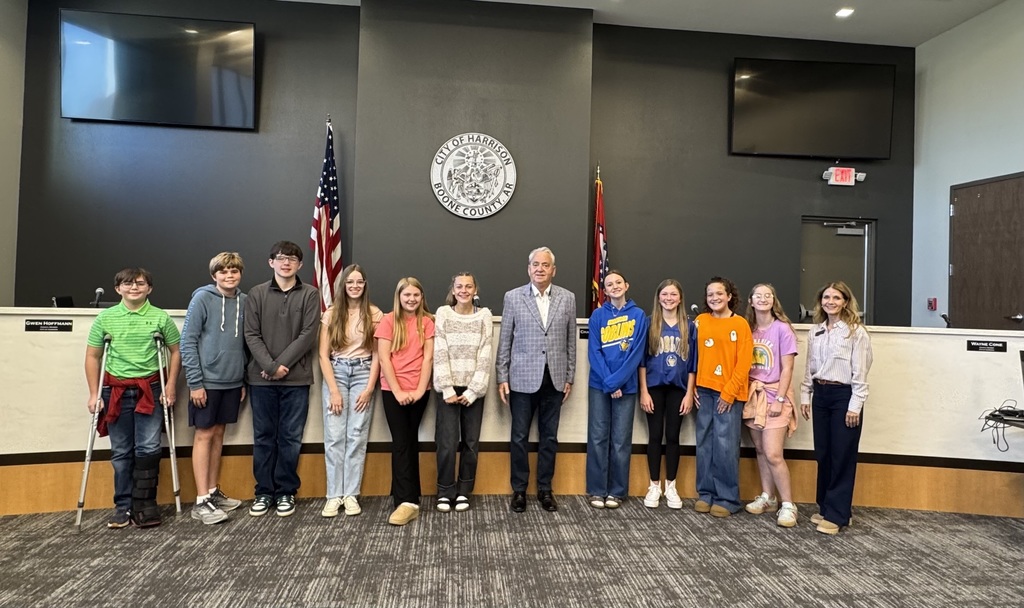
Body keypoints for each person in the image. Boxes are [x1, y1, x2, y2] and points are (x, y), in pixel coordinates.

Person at [84, 267, 181, 529]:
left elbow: (176, 352)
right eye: (128, 284)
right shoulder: (106, 318)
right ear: (118, 289)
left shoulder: (161, 318)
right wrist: (94, 394)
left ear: (149, 288)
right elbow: (93, 356)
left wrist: (171, 385)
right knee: (121, 451)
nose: (134, 287)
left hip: (150, 389)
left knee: (148, 448)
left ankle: (144, 503)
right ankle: (123, 506)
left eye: (140, 283)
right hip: (114, 391)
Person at [496, 246, 577, 513]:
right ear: (528, 268)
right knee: (519, 436)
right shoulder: (513, 297)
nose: (540, 269)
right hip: (521, 379)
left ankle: (545, 489)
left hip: (554, 380)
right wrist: (501, 376)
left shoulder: (567, 298)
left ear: (553, 270)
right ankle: (519, 490)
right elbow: (505, 339)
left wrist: (569, 377)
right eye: (535, 264)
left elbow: (570, 342)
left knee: (549, 438)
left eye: (545, 265)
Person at [244, 241, 320, 518]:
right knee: (264, 437)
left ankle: (286, 491)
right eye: (280, 258)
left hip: (296, 380)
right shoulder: (256, 293)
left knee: (290, 438)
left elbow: (308, 334)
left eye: (292, 259)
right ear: (271, 262)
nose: (286, 263)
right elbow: (251, 334)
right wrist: (269, 366)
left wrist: (280, 365)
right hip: (261, 380)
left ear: (300, 265)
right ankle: (264, 492)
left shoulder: (311, 294)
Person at [800, 281, 873, 535]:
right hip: (821, 394)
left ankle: (838, 515)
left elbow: (861, 372)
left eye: (836, 297)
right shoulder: (816, 331)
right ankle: (826, 506)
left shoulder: (856, 332)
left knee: (842, 454)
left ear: (845, 302)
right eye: (826, 297)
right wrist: (805, 395)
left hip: (844, 396)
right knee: (824, 453)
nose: (830, 301)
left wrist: (855, 406)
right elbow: (810, 366)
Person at [180, 252, 248, 525]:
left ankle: (212, 492)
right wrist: (195, 383)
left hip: (232, 382)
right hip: (206, 383)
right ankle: (200, 501)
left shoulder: (244, 301)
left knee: (219, 434)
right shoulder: (202, 299)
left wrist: (241, 379)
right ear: (214, 275)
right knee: (204, 435)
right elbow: (188, 342)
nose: (229, 275)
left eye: (234, 271)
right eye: (223, 272)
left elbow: (243, 344)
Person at [318, 264, 382, 519]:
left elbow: (379, 355)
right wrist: (333, 390)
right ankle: (334, 495)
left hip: (364, 373)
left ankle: (351, 494)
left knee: (356, 436)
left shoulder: (375, 313)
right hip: (337, 372)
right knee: (335, 437)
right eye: (350, 282)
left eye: (359, 282)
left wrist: (368, 389)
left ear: (365, 285)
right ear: (343, 285)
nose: (355, 286)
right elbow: (323, 355)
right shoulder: (332, 313)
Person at [586, 271, 648, 509]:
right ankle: (597, 489)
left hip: (627, 387)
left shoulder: (639, 315)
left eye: (618, 283)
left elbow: (636, 354)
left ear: (626, 285)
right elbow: (594, 352)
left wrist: (618, 382)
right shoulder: (597, 315)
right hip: (599, 386)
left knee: (621, 440)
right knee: (598, 437)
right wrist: (610, 383)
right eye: (609, 284)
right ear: (605, 289)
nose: (614, 287)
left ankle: (617, 491)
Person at [376, 277, 435, 526]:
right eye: (406, 295)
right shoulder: (388, 321)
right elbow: (384, 359)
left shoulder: (428, 322)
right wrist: (398, 391)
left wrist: (421, 389)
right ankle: (405, 500)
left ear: (422, 297)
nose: (411, 299)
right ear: (398, 297)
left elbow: (428, 359)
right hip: (393, 390)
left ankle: (408, 494)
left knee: (411, 439)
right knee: (401, 441)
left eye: (416, 295)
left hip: (420, 389)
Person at [433, 272, 492, 513]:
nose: (464, 290)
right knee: (446, 442)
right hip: (447, 389)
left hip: (473, 391)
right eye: (459, 286)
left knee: (470, 442)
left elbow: (485, 353)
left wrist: (474, 390)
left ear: (475, 289)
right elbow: (439, 351)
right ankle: (445, 490)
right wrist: (446, 387)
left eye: (468, 286)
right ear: (453, 289)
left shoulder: (484, 316)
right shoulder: (443, 313)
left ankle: (463, 491)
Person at [693, 276, 752, 518]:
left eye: (719, 293)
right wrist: (694, 385)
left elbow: (744, 363)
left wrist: (728, 393)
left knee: (725, 445)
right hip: (704, 391)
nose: (715, 298)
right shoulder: (700, 321)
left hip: (729, 393)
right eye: (710, 294)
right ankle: (705, 493)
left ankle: (727, 498)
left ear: (729, 296)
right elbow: (693, 356)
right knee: (704, 443)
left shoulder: (740, 325)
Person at [741, 283, 800, 527]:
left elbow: (788, 368)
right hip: (753, 395)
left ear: (773, 300)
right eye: (758, 296)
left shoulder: (782, 329)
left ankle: (788, 504)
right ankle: (768, 497)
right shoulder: (748, 329)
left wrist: (779, 398)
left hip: (775, 393)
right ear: (751, 301)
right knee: (761, 450)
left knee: (774, 453)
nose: (763, 299)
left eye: (768, 295)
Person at [638, 279, 697, 509]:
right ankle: (654, 485)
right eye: (665, 294)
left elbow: (693, 364)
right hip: (653, 387)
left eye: (673, 294)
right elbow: (642, 362)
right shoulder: (649, 323)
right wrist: (643, 391)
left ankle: (671, 485)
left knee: (673, 436)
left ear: (680, 298)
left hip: (678, 389)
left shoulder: (689, 326)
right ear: (658, 297)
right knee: (654, 436)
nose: (669, 298)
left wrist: (690, 393)